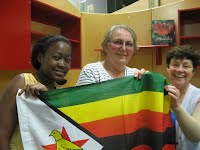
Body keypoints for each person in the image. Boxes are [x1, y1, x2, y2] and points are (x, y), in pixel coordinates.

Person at [0, 35, 72, 149]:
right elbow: (3, 134)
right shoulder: (22, 82)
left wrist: (46, 97)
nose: (62, 64)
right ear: (40, 57)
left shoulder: (60, 95)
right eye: (56, 57)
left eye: (67, 60)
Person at [76, 24, 145, 86]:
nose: (123, 48)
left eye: (128, 44)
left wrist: (148, 83)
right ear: (106, 46)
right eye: (118, 42)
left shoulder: (136, 75)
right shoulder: (91, 72)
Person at [164, 45, 200, 150]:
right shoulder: (160, 92)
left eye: (186, 66)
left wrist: (177, 107)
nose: (180, 70)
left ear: (193, 72)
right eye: (175, 65)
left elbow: (196, 135)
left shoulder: (198, 96)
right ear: (168, 68)